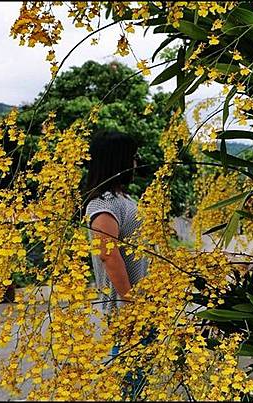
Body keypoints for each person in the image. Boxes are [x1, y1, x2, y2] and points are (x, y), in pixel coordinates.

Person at [84, 130, 155, 397]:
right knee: (131, 368)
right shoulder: (102, 204)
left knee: (141, 369)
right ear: (119, 161)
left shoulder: (123, 200)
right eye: (133, 157)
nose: (137, 163)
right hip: (129, 305)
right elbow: (108, 254)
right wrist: (130, 301)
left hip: (143, 301)